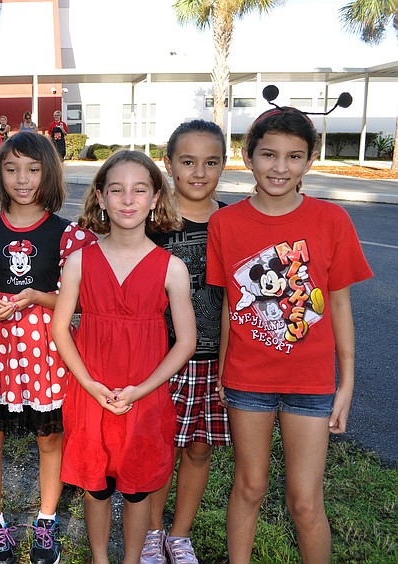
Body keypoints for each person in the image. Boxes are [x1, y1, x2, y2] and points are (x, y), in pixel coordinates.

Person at [206, 107, 373, 563]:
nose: (280, 167)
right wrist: (223, 370)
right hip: (247, 381)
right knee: (249, 486)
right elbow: (229, 304)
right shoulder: (225, 223)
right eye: (269, 155)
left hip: (312, 384)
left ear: (310, 160)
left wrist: (347, 383)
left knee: (305, 501)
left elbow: (339, 304)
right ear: (247, 156)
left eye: (294, 156)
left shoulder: (332, 220)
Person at [0, 132, 96, 564]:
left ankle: (46, 520)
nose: (22, 179)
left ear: (48, 174)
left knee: (50, 438)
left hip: (45, 350)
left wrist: (37, 297)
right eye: (12, 169)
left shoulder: (68, 235)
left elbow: (81, 302)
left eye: (33, 170)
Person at [52, 150, 196, 564]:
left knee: (136, 489)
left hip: (144, 397)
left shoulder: (171, 268)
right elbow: (60, 328)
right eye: (116, 190)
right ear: (100, 197)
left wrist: (141, 390)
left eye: (139, 190)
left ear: (155, 199)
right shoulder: (79, 262)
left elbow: (185, 341)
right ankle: (101, 559)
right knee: (96, 485)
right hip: (90, 392)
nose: (127, 200)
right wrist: (90, 385)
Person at [145, 120, 231, 564]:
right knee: (162, 448)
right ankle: (151, 532)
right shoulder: (152, 221)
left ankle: (179, 535)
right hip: (162, 360)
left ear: (224, 164)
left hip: (217, 360)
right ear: (169, 164)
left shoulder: (233, 220)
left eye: (211, 162)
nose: (199, 172)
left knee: (199, 448)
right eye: (188, 161)